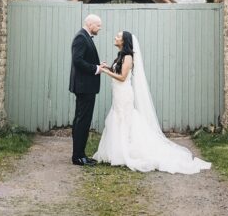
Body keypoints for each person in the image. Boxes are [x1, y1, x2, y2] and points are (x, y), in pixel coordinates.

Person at [93, 30, 212, 174]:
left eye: (118, 36)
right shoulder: (121, 56)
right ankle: (117, 151)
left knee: (124, 119)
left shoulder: (129, 57)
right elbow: (117, 72)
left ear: (124, 41)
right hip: (118, 94)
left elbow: (122, 77)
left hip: (124, 94)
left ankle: (126, 151)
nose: (115, 37)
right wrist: (107, 67)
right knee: (118, 119)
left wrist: (105, 72)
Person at [69, 13, 103, 166]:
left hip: (85, 86)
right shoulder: (81, 37)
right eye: (98, 25)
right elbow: (77, 61)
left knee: (81, 120)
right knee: (83, 121)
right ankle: (78, 156)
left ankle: (80, 154)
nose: (99, 28)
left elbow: (84, 59)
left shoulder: (85, 36)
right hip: (84, 87)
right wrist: (95, 68)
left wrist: (98, 65)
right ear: (90, 24)